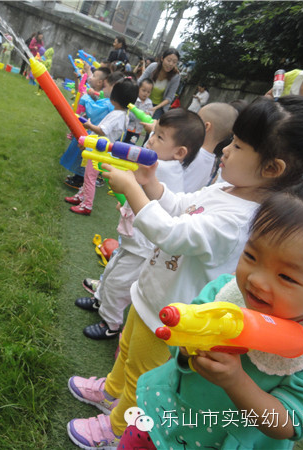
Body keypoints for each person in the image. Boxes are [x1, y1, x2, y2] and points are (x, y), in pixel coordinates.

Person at [65, 96, 303, 449]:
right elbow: (180, 206)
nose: (225, 150)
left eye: (238, 146)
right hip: (151, 294)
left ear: (271, 168)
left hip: (171, 313)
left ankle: (115, 428)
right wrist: (151, 184)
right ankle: (110, 390)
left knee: (140, 377)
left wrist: (132, 190)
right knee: (126, 352)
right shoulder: (226, 188)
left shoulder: (240, 219)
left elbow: (172, 233)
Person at [123, 176, 303, 449]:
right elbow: (178, 351)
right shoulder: (224, 292)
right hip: (163, 411)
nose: (256, 280)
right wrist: (187, 347)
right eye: (251, 256)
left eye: (286, 277)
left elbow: (293, 423)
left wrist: (235, 382)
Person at [76, 108, 206, 340]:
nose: (151, 140)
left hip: (142, 247)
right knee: (111, 271)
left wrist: (99, 151)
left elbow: (129, 172)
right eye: (154, 133)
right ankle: (100, 301)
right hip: (132, 239)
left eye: (160, 137)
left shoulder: (163, 168)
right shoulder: (161, 164)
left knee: (118, 283)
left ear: (179, 152)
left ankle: (110, 323)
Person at [64, 73, 137, 216]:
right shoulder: (123, 114)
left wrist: (89, 125)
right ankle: (81, 196)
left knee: (90, 178)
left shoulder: (116, 115)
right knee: (88, 176)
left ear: (115, 97)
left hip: (100, 151)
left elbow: (102, 130)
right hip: (101, 150)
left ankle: (87, 205)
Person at [61, 67, 113, 189]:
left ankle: (80, 179)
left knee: (83, 156)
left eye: (94, 76)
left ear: (100, 82)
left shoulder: (102, 99)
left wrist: (87, 98)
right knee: (79, 153)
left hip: (92, 131)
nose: (91, 77)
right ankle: (78, 176)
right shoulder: (95, 93)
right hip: (87, 128)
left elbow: (94, 110)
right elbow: (80, 90)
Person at [138, 49, 181, 120]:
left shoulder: (176, 77)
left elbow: (169, 97)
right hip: (143, 99)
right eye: (169, 60)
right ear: (162, 58)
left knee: (151, 124)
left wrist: (155, 108)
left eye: (174, 62)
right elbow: (139, 82)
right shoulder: (153, 67)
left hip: (159, 107)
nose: (171, 64)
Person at [125, 78, 153, 145]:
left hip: (137, 131)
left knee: (131, 144)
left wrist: (148, 114)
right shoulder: (134, 99)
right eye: (143, 90)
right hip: (128, 127)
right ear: (138, 89)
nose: (145, 93)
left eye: (148, 92)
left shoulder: (149, 103)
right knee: (123, 141)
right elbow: (128, 110)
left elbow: (150, 114)